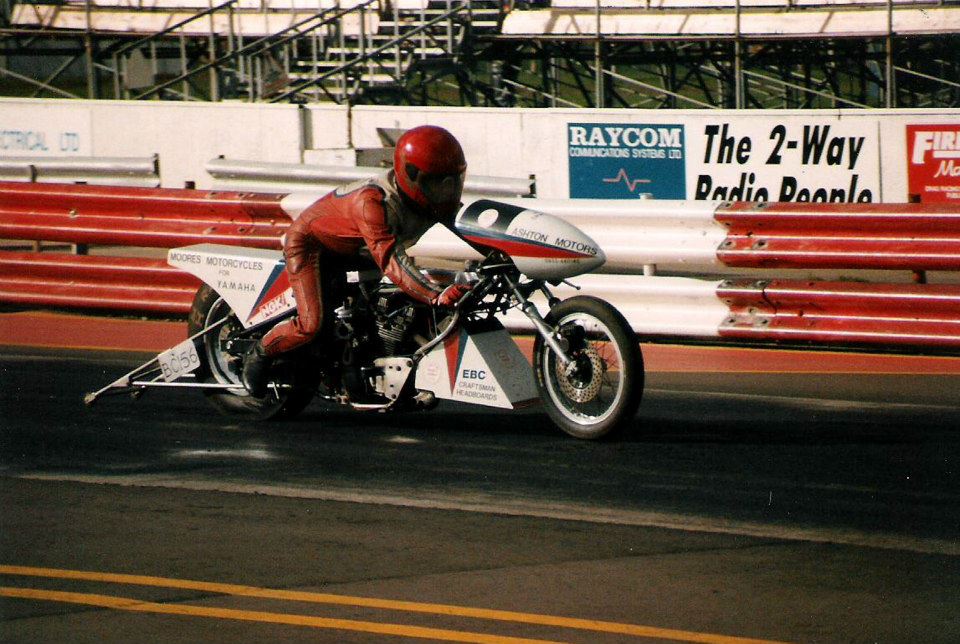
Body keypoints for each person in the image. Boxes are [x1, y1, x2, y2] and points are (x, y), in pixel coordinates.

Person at [242, 125, 474, 397]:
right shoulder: (373, 202)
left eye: (452, 181)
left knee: (387, 307)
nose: (446, 191)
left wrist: (504, 257)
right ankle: (259, 354)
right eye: (437, 183)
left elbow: (468, 229)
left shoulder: (435, 201)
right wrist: (436, 295)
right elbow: (391, 260)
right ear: (411, 176)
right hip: (313, 247)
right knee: (311, 325)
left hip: (357, 252)